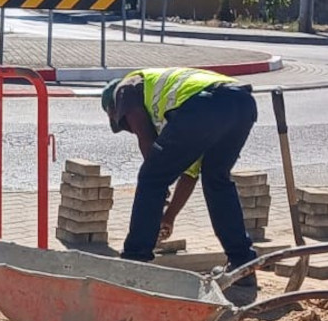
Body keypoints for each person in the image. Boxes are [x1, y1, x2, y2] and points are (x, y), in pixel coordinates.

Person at [102, 67, 259, 287]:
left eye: (122, 120)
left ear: (114, 108)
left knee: (150, 178)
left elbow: (147, 142)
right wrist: (169, 216)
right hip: (241, 104)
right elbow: (189, 174)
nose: (128, 125)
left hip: (206, 104)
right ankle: (242, 265)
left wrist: (158, 183)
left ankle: (135, 261)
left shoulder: (125, 88)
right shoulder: (175, 108)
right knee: (217, 181)